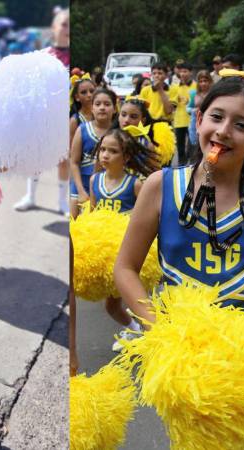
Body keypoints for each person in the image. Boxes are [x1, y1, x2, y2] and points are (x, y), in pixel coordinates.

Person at [114, 70, 244, 334]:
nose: (224, 131)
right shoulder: (160, 185)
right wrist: (158, 328)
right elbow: (125, 268)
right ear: (199, 120)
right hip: (180, 349)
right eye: (217, 117)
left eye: (241, 125)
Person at [88, 128, 158, 351]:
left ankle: (150, 334)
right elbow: (91, 216)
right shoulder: (94, 181)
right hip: (106, 256)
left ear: (126, 157)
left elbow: (147, 220)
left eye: (113, 151)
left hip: (129, 253)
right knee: (111, 306)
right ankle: (136, 328)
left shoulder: (135, 184)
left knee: (136, 300)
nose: (105, 155)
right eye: (103, 150)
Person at [13, 8, 70, 214]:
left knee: (63, 159)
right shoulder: (42, 56)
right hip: (41, 116)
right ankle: (30, 196)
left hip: (66, 116)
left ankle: (62, 201)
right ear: (54, 28)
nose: (67, 29)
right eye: (64, 24)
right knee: (35, 157)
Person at [70, 87, 116, 218]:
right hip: (82, 186)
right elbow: (73, 162)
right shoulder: (83, 129)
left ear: (114, 108)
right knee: (74, 227)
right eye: (98, 104)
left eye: (107, 104)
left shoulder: (118, 133)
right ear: (92, 108)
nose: (102, 107)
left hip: (108, 189)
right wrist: (80, 191)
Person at [169, 61, 197, 165]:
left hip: (192, 121)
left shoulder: (196, 86)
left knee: (193, 147)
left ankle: (193, 168)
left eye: (185, 71)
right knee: (180, 148)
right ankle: (181, 168)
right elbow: (173, 105)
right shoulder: (175, 87)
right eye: (181, 72)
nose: (183, 74)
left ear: (191, 72)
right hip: (179, 121)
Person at [187, 70, 213, 163]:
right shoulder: (194, 93)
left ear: (210, 81)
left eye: (205, 81)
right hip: (195, 125)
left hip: (209, 125)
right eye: (201, 81)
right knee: (194, 151)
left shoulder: (213, 94)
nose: (203, 83)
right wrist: (193, 110)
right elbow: (188, 108)